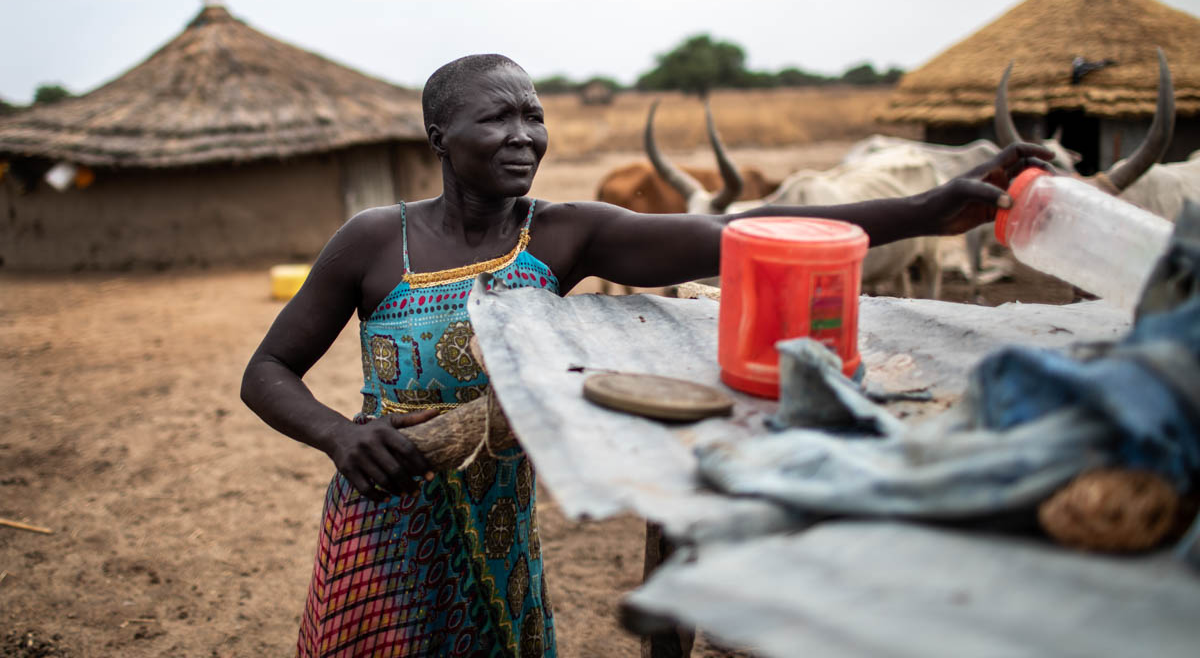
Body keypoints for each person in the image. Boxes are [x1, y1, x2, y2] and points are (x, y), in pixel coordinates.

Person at [241, 54, 1053, 658]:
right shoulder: (378, 240)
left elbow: (740, 237)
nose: (525, 135)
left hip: (497, 524)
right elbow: (267, 373)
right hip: (386, 509)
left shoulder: (563, 234)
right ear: (440, 138)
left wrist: (923, 209)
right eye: (498, 119)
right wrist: (338, 437)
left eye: (534, 115)